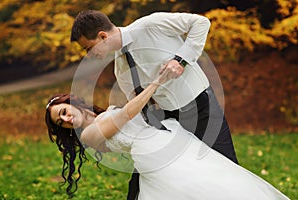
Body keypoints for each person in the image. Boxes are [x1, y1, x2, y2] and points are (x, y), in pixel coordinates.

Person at [70, 10, 238, 199]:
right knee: (165, 180)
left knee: (228, 169)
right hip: (170, 123)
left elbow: (201, 23)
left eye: (88, 48)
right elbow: (138, 106)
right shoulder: (121, 68)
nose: (89, 54)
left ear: (102, 36)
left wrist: (180, 60)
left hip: (202, 108)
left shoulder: (152, 24)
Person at [45, 74, 289, 200]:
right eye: (60, 122)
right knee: (198, 189)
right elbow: (129, 113)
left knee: (217, 180)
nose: (65, 119)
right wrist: (155, 83)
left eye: (63, 112)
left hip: (173, 140)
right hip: (155, 157)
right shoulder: (88, 134)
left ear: (71, 103)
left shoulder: (101, 115)